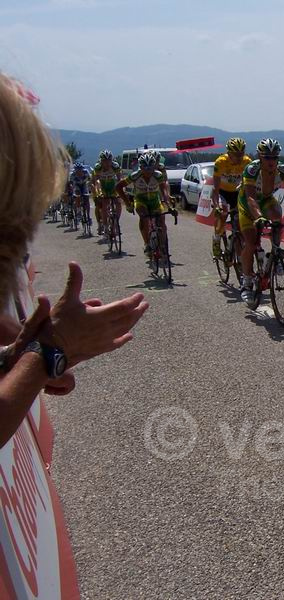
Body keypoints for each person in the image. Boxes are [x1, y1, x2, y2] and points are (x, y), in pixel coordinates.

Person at [0, 73, 148, 447]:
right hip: (92, 191)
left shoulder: (118, 171)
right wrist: (49, 352)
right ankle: (102, 221)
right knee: (99, 205)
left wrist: (18, 355)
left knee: (120, 208)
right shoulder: (91, 173)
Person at [237, 139, 284, 303]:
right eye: (267, 157)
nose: (271, 161)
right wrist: (258, 217)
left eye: (274, 157)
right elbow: (250, 198)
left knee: (277, 215)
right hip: (247, 203)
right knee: (251, 242)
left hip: (266, 199)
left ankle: (275, 254)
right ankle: (246, 282)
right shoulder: (252, 169)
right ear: (260, 157)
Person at [115, 151, 173, 259]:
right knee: (144, 217)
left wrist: (167, 201)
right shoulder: (135, 176)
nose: (148, 171)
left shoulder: (158, 175)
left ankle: (162, 245)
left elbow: (163, 189)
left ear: (154, 167)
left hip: (155, 201)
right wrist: (127, 203)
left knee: (162, 220)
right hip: (141, 201)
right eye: (145, 168)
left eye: (150, 168)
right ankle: (147, 244)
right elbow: (118, 187)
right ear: (140, 167)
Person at [211, 138, 251, 259]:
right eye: (236, 154)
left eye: (241, 154)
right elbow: (215, 188)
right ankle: (217, 239)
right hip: (222, 192)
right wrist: (216, 205)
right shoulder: (220, 162)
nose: (239, 157)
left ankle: (238, 255)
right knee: (223, 213)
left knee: (239, 226)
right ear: (229, 153)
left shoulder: (247, 162)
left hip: (237, 193)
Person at [91, 149, 122, 239]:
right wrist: (99, 193)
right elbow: (96, 181)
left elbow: (120, 179)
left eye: (109, 160)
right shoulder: (98, 167)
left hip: (112, 185)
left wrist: (120, 191)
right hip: (103, 186)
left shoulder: (115, 166)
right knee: (104, 204)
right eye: (105, 161)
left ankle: (116, 223)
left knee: (118, 202)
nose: (107, 163)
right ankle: (105, 226)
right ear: (101, 161)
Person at [69, 161, 93, 229]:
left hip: (84, 184)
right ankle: (78, 211)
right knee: (77, 195)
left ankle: (88, 216)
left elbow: (90, 180)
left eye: (80, 169)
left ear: (82, 169)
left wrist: (90, 186)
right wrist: (72, 189)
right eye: (77, 170)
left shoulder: (86, 172)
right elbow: (71, 184)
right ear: (75, 170)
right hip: (76, 185)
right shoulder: (72, 174)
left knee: (87, 198)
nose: (79, 171)